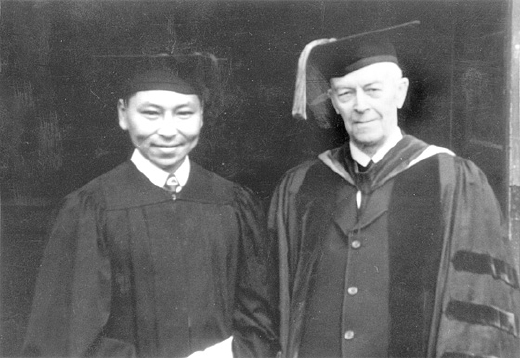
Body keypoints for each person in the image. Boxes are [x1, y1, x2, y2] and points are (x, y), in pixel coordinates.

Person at [269, 26, 520, 358]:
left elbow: (479, 312)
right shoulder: (301, 185)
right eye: (345, 94)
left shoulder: (453, 181)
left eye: (373, 90)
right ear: (333, 103)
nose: (360, 105)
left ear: (400, 92)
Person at [23, 68, 279, 357]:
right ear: (123, 113)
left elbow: (260, 320)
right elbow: (67, 335)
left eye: (184, 113)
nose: (168, 131)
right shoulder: (91, 208)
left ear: (202, 115)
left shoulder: (232, 202)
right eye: (151, 113)